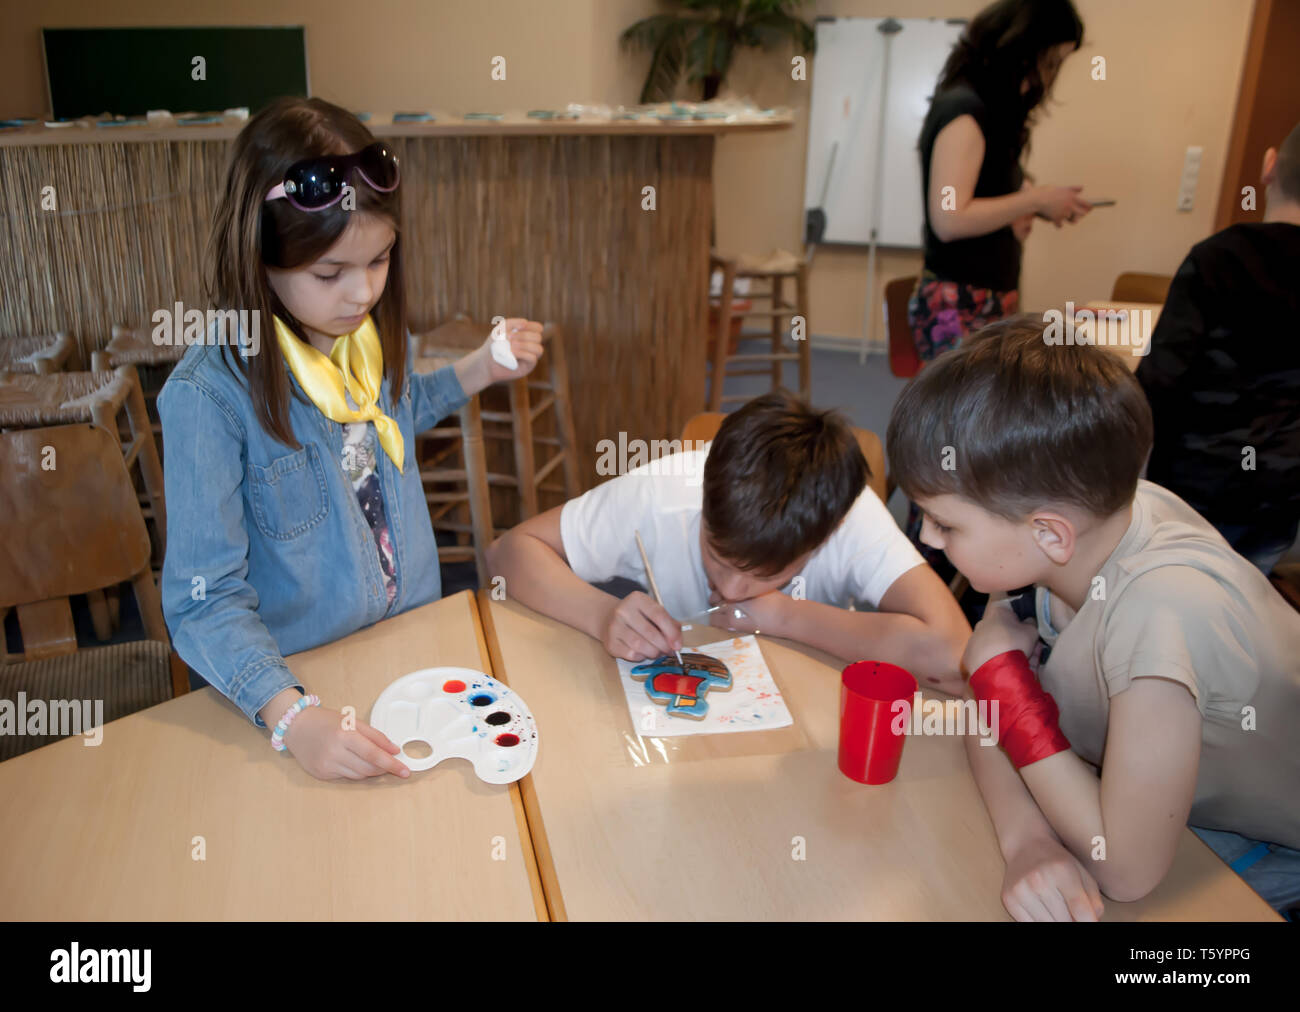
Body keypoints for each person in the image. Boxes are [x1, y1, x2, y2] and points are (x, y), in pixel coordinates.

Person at [159, 97, 543, 781]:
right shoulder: (207, 398)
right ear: (262, 259)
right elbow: (202, 601)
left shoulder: (360, 340)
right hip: (298, 688)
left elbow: (394, 412)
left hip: (409, 647)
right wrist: (292, 720)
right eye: (330, 274)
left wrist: (481, 367)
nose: (361, 294)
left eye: (380, 260)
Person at [887, 316, 1300, 919]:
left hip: (1264, 845)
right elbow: (986, 708)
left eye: (945, 523)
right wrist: (1025, 838)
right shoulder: (1076, 527)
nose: (927, 536)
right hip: (1165, 807)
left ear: (1050, 533)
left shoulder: (1163, 612)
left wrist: (1002, 680)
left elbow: (1126, 869)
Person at [487, 390, 970, 693]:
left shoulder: (848, 516)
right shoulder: (665, 494)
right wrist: (601, 614)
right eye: (717, 558)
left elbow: (953, 657)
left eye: (766, 574)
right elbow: (507, 553)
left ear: (819, 541)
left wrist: (786, 615)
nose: (734, 589)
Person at [1137, 121, 1300, 574]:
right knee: (1242, 591)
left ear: (1269, 166)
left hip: (1191, 489)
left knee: (1174, 587)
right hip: (1279, 497)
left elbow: (1158, 382)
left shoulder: (1219, 258)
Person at [911, 0, 1092, 362]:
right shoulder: (964, 112)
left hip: (987, 297)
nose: (1048, 78)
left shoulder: (991, 115)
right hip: (957, 302)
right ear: (1021, 53)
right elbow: (948, 218)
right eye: (1050, 62)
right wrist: (1034, 200)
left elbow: (986, 196)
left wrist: (1031, 204)